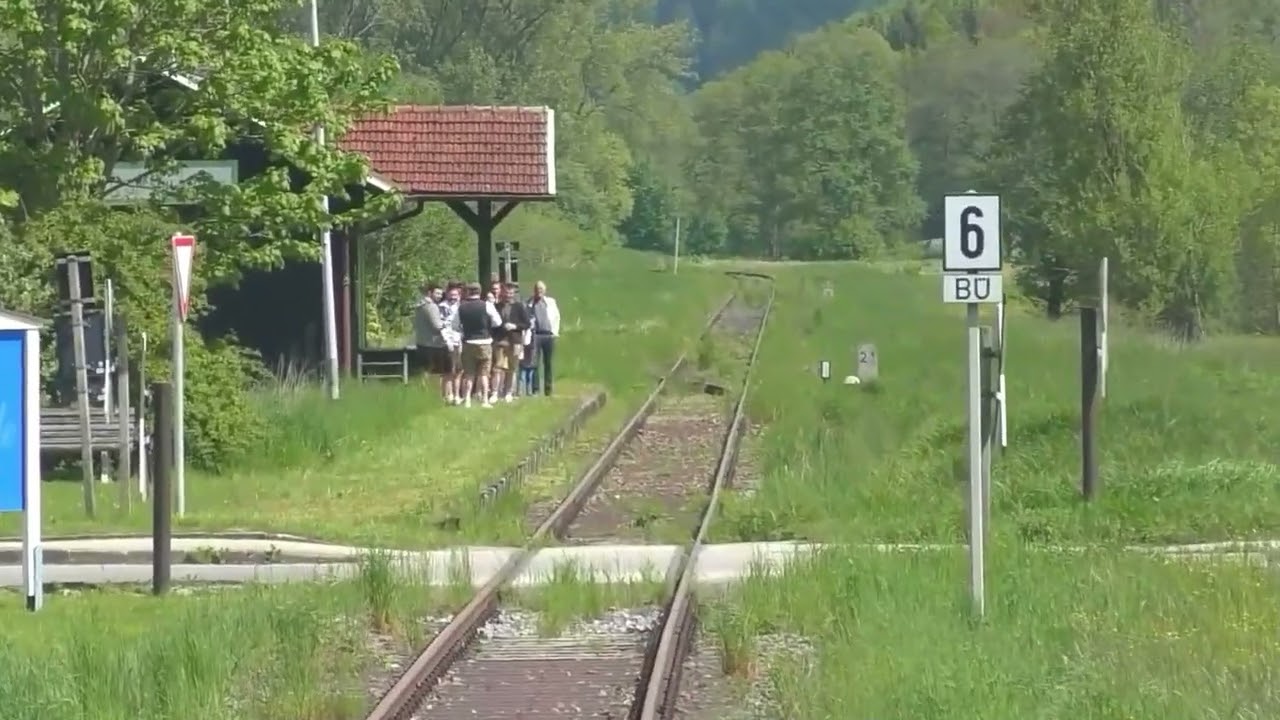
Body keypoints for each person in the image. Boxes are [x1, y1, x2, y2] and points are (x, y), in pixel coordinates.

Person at [457, 282, 503, 408]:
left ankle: (467, 400)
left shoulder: (461, 307)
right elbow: (498, 322)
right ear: (480, 292)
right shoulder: (487, 305)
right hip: (484, 341)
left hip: (468, 342)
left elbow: (454, 326)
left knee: (469, 373)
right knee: (484, 373)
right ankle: (484, 400)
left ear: (468, 292)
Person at [490, 282, 531, 403]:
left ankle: (509, 392)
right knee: (498, 367)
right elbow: (491, 323)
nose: (508, 295)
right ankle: (495, 392)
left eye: (511, 293)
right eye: (506, 293)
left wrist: (514, 326)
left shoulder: (519, 306)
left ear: (514, 294)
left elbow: (527, 324)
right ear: (502, 293)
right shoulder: (496, 306)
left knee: (512, 368)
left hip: (515, 341)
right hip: (500, 340)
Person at [412, 283, 452, 400]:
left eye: (441, 293)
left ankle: (424, 394)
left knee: (425, 371)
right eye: (437, 293)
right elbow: (437, 325)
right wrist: (447, 324)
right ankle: (434, 395)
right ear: (430, 293)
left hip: (421, 342)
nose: (440, 296)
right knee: (435, 373)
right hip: (433, 344)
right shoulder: (431, 306)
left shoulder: (420, 305)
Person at [527, 280, 561, 396]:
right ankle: (535, 389)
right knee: (535, 363)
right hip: (536, 335)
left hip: (548, 335)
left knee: (548, 363)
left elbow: (557, 317)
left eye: (541, 289)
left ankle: (548, 389)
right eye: (537, 289)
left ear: (544, 290)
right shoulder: (529, 303)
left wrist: (555, 332)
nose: (538, 292)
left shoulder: (550, 302)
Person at [439, 283, 463, 404]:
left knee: (458, 371)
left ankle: (457, 395)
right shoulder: (442, 307)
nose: (453, 297)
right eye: (451, 294)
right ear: (447, 294)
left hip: (459, 341)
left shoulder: (461, 307)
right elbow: (442, 326)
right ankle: (448, 395)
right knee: (448, 371)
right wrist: (447, 341)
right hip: (448, 342)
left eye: (456, 294)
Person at [518, 327, 537, 397]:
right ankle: (520, 391)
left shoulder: (533, 333)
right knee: (522, 375)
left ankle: (528, 391)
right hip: (525, 353)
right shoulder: (524, 332)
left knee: (529, 375)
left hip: (530, 355)